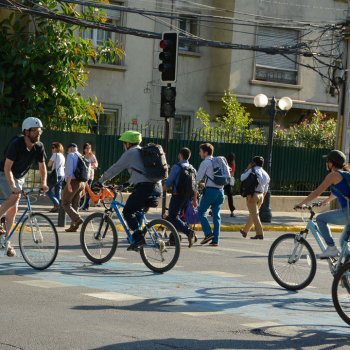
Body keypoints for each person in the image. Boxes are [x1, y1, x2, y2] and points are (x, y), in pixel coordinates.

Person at [97, 130, 162, 251]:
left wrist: (100, 181)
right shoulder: (143, 152)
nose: (123, 146)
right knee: (136, 211)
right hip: (157, 187)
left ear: (128, 143)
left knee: (127, 211)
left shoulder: (131, 153)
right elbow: (141, 173)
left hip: (145, 188)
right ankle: (139, 236)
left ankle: (139, 239)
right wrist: (126, 184)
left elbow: (115, 168)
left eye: (124, 143)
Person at [0, 117, 48, 256]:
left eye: (39, 131)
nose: (38, 134)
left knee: (13, 210)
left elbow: (42, 166)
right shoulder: (16, 144)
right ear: (26, 132)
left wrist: (43, 183)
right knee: (14, 197)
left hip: (19, 177)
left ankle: (6, 242)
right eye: (35, 131)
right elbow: (7, 167)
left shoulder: (39, 146)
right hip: (3, 173)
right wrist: (13, 187)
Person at [295, 150, 350, 258]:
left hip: (347, 213)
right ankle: (345, 271)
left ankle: (331, 248)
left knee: (320, 219)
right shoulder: (344, 175)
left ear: (331, 163)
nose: (326, 163)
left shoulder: (333, 175)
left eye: (327, 161)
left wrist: (301, 204)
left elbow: (317, 192)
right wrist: (323, 202)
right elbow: (337, 194)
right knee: (343, 242)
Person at [193, 143, 225, 247]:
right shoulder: (218, 161)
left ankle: (208, 234)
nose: (199, 153)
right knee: (216, 215)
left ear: (205, 152)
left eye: (201, 151)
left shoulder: (205, 162)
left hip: (210, 191)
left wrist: (195, 191)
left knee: (201, 212)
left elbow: (198, 179)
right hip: (221, 191)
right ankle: (215, 240)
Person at [164, 147, 196, 248]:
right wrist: (194, 199)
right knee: (177, 217)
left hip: (177, 196)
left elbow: (168, 182)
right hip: (187, 197)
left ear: (180, 155)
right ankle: (174, 238)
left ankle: (188, 232)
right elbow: (195, 185)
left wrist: (161, 190)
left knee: (173, 217)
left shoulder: (177, 167)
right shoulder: (192, 168)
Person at [240, 156, 270, 240]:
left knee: (254, 214)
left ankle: (260, 233)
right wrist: (262, 196)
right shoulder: (265, 173)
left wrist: (248, 169)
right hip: (261, 195)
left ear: (253, 163)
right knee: (253, 214)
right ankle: (245, 231)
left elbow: (242, 177)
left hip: (252, 195)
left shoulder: (252, 170)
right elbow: (266, 188)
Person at [61, 143, 85, 232]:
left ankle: (77, 219)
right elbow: (87, 172)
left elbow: (69, 171)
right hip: (81, 183)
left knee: (65, 203)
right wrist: (84, 187)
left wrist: (68, 183)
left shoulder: (71, 155)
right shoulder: (81, 156)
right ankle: (74, 226)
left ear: (70, 149)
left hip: (73, 182)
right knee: (75, 204)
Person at [47, 142, 65, 213]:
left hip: (56, 175)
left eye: (53, 147)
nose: (52, 149)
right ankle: (56, 207)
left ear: (57, 148)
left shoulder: (55, 154)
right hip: (62, 175)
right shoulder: (63, 156)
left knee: (47, 190)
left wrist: (52, 162)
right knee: (58, 191)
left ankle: (57, 204)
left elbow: (49, 164)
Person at [81, 143, 98, 211]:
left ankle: (86, 206)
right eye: (87, 148)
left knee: (88, 191)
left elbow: (96, 164)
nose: (88, 150)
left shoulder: (92, 156)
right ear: (84, 149)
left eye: (89, 148)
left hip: (90, 176)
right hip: (83, 176)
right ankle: (81, 204)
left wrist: (91, 166)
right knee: (82, 190)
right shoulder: (82, 156)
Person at [224, 153, 236, 217]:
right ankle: (232, 211)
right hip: (228, 182)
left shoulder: (224, 163)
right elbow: (232, 174)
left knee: (218, 195)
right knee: (230, 196)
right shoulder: (233, 164)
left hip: (222, 181)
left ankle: (212, 210)